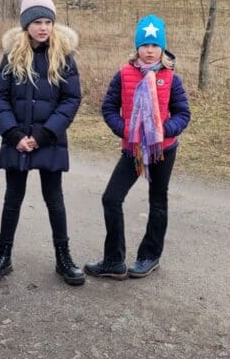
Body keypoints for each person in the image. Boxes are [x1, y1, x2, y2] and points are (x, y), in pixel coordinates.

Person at [0, 0, 84, 287]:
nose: (43, 28)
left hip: (48, 140)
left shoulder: (63, 57)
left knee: (55, 199)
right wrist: (13, 134)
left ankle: (64, 258)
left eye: (48, 22)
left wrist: (43, 135)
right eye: (37, 22)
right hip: (17, 140)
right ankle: (3, 257)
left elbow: (70, 99)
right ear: (26, 25)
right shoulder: (12, 56)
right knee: (12, 199)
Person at [85, 14, 190, 280]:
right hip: (134, 150)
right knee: (111, 198)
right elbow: (109, 107)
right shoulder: (124, 74)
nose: (150, 50)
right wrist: (126, 130)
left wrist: (162, 130)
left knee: (158, 200)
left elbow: (183, 114)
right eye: (145, 45)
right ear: (137, 47)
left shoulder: (171, 78)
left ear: (162, 48)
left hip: (163, 149)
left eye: (155, 45)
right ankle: (114, 260)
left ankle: (149, 256)